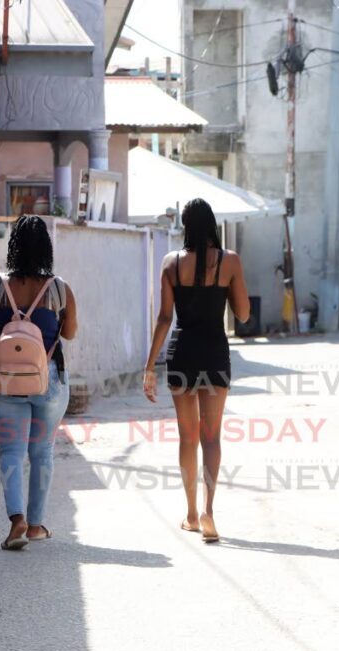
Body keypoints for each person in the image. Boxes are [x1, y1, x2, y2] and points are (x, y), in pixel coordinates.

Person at [142, 198, 250, 543]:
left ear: (185, 227)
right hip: (215, 353)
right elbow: (244, 315)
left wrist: (148, 367)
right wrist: (227, 292)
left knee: (187, 437)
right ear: (213, 224)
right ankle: (209, 511)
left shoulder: (170, 263)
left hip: (182, 352)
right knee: (211, 437)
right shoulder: (230, 261)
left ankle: (190, 513)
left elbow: (164, 318)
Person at [0, 215, 77, 550]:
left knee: (11, 450)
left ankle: (16, 520)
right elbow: (70, 333)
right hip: (48, 381)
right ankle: (36, 525)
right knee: (42, 452)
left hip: (4, 381)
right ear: (45, 248)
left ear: (14, 247)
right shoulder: (59, 288)